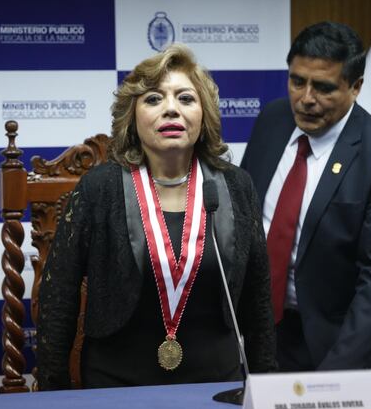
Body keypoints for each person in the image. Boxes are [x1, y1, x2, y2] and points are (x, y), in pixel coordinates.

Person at [37, 43, 276, 390]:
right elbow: (58, 297)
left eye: (186, 98)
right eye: (153, 99)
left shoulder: (235, 187)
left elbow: (259, 301)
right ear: (132, 118)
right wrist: (52, 394)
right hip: (117, 387)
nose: (171, 109)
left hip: (215, 385)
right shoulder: (99, 189)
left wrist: (265, 388)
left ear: (204, 115)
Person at [241, 21, 371, 374]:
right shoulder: (272, 121)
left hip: (350, 345)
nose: (306, 98)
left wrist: (334, 376)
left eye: (323, 87)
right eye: (297, 81)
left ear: (355, 87)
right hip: (276, 337)